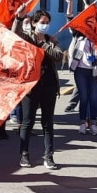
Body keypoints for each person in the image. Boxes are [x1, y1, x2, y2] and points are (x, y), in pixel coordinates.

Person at [17, 10, 65, 169]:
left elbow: (58, 56)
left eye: (47, 23)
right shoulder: (27, 37)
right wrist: (18, 17)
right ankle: (24, 154)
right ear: (34, 23)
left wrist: (44, 43)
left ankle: (49, 155)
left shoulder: (50, 40)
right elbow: (15, 35)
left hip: (49, 84)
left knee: (47, 122)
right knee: (27, 121)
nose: (45, 26)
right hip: (31, 85)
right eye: (42, 22)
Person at [67, 22, 97, 136]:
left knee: (94, 98)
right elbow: (70, 23)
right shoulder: (78, 35)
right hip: (80, 70)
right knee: (84, 97)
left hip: (95, 70)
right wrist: (70, 4)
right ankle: (82, 123)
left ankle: (93, 124)